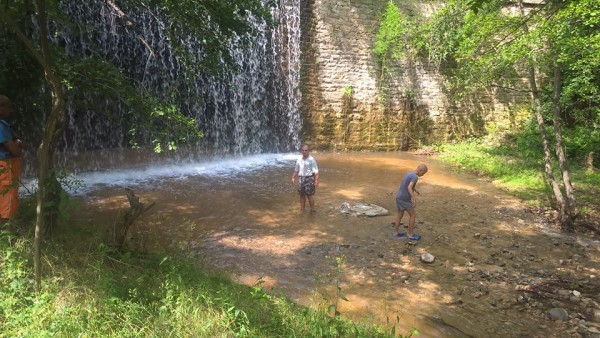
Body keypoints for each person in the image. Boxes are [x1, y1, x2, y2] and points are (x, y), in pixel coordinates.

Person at [0, 95, 23, 232]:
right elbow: (16, 151)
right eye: (7, 106)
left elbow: (18, 139)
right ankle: (6, 234)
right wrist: (18, 144)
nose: (10, 109)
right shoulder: (1, 126)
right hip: (5, 165)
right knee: (8, 198)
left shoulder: (4, 124)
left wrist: (18, 141)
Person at [393, 163, 428, 240]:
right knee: (413, 215)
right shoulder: (415, 177)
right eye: (423, 173)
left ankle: (395, 232)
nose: (423, 175)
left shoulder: (409, 173)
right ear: (420, 170)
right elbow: (409, 187)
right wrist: (414, 198)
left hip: (399, 197)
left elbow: (406, 184)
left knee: (400, 215)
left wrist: (415, 189)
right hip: (405, 199)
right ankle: (411, 234)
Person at [291, 144, 319, 212]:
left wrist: (316, 181)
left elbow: (316, 171)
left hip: (309, 178)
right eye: (303, 150)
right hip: (301, 178)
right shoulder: (299, 159)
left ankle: (312, 209)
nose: (304, 152)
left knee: (310, 195)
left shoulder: (311, 160)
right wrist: (293, 177)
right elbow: (296, 170)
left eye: (306, 150)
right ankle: (302, 209)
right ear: (301, 151)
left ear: (308, 151)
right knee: (301, 195)